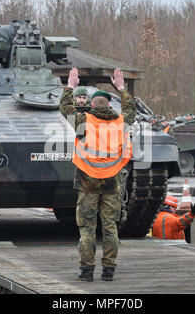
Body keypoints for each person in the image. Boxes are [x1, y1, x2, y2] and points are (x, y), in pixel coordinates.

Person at [59, 67, 136, 282]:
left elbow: (64, 107)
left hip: (87, 183)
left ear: (91, 105)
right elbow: (131, 108)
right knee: (110, 228)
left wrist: (71, 86)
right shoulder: (122, 122)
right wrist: (121, 87)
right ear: (110, 105)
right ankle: (109, 270)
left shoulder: (83, 121)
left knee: (87, 228)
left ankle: (86, 271)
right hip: (111, 182)